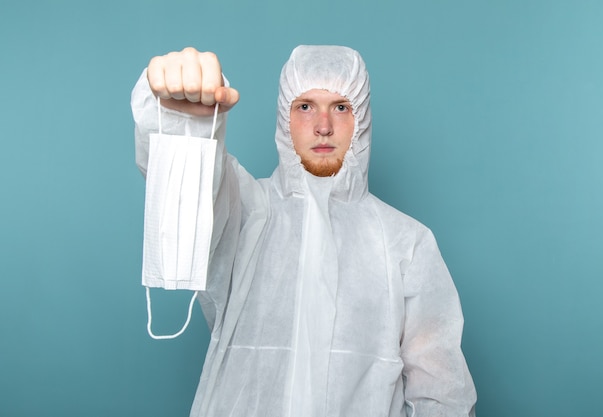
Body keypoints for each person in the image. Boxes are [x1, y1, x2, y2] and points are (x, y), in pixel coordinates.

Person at [131, 45, 477, 417]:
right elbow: (192, 191)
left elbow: (442, 393)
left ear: (362, 118)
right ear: (285, 117)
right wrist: (185, 122)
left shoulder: (406, 244)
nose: (323, 126)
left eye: (341, 107)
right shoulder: (246, 210)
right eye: (306, 106)